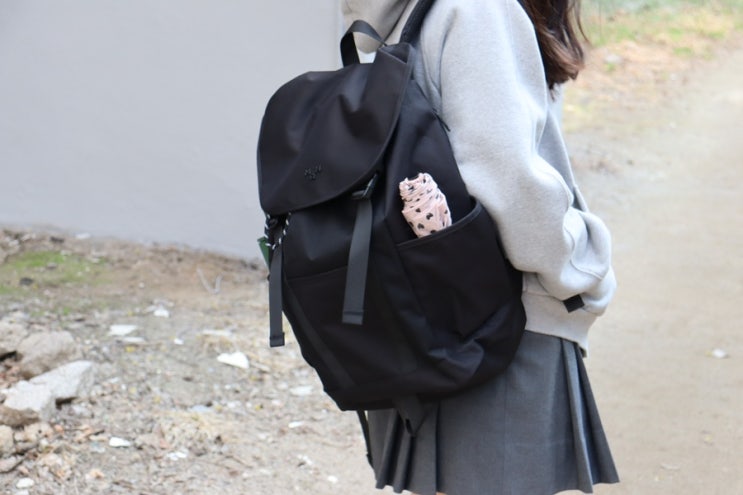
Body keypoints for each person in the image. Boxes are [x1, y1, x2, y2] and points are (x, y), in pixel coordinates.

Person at [340, 0, 619, 494]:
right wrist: (581, 267)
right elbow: (510, 186)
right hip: (501, 330)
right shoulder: (479, 10)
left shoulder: (411, 13)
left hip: (420, 318)